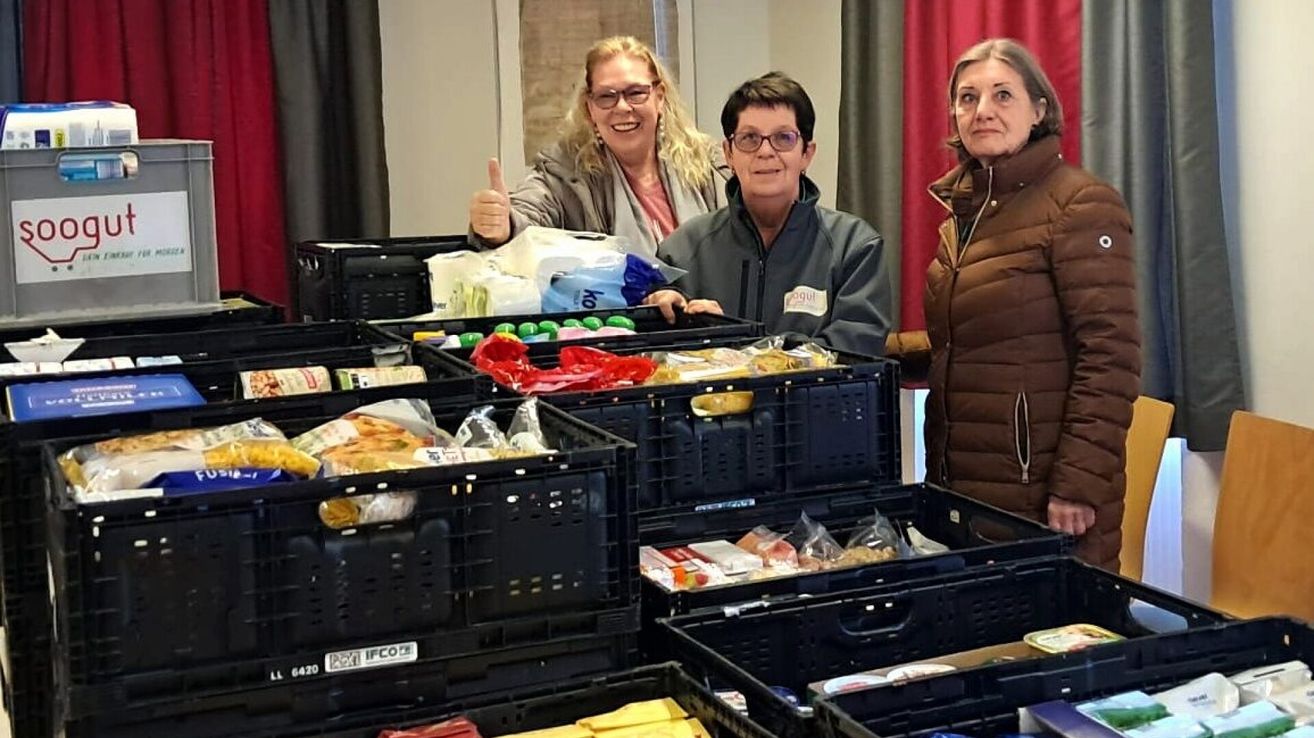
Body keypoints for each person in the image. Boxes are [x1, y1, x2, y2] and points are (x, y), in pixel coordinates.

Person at [913, 38, 1141, 570]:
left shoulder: (1080, 203)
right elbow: (971, 341)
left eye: (1002, 95)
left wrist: (1078, 485)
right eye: (967, 98)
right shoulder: (967, 213)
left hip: (1045, 499)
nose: (982, 110)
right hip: (964, 491)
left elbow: (1111, 356)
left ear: (1039, 110)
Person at [645, 72, 891, 357]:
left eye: (783, 138)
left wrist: (733, 343)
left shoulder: (855, 248)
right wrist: (673, 320)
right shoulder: (680, 252)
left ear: (807, 154)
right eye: (749, 138)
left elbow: (853, 351)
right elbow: (656, 358)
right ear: (728, 154)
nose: (765, 151)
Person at [468, 36, 729, 256]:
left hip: (709, 302)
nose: (623, 107)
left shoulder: (710, 162)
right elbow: (527, 215)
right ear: (590, 107)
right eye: (606, 96)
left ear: (659, 97)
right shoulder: (565, 171)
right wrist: (502, 224)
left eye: (636, 93)